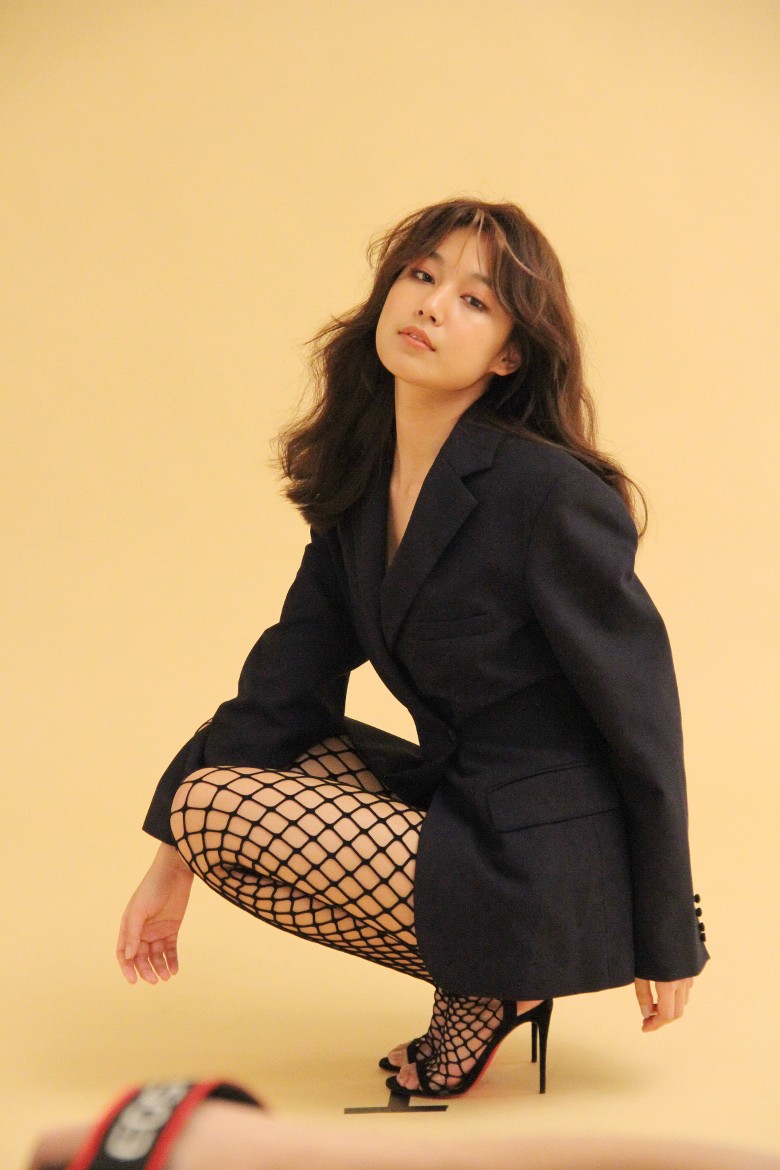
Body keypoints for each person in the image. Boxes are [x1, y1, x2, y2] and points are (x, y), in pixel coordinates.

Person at [117, 197, 709, 1099]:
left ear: (509, 354)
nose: (432, 305)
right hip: (460, 801)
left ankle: (499, 977)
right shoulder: (364, 483)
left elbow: (643, 715)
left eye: (474, 300)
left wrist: (669, 931)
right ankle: (486, 976)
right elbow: (285, 682)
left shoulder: (549, 494)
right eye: (422, 276)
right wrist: (169, 865)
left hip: (549, 853)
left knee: (215, 804)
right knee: (226, 782)